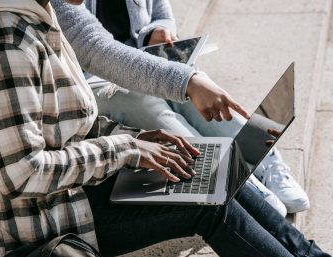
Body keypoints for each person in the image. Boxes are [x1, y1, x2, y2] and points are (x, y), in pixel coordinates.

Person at [0, 0, 332, 256]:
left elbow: (66, 126)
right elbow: (21, 174)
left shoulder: (41, 13)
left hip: (78, 187)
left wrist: (134, 139)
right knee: (207, 203)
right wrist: (126, 149)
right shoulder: (7, 41)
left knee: (214, 167)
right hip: (43, 218)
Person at [52, 0, 310, 215]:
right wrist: (186, 81)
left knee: (197, 90)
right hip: (90, 79)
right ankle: (234, 179)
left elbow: (161, 11)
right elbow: (97, 51)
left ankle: (265, 160)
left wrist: (158, 29)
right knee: (151, 103)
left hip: (143, 58)